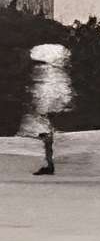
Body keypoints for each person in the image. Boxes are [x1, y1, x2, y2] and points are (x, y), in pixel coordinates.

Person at [28, 43, 70, 177]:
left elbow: (49, 93)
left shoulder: (51, 74)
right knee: (46, 139)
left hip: (47, 111)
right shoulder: (53, 73)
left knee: (47, 138)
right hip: (46, 111)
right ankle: (49, 164)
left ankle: (49, 165)